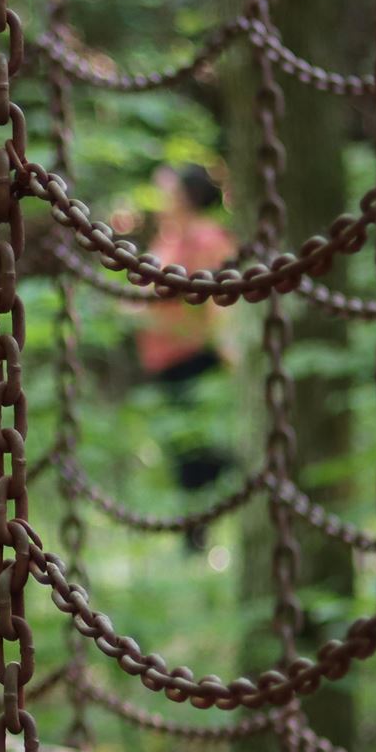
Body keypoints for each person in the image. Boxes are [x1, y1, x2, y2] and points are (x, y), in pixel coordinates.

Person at [134, 163, 236, 539]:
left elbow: (221, 297)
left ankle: (198, 538)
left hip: (194, 353)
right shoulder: (168, 239)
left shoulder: (206, 238)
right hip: (164, 357)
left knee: (195, 453)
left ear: (185, 197)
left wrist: (226, 345)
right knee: (184, 450)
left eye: (167, 191)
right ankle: (197, 533)